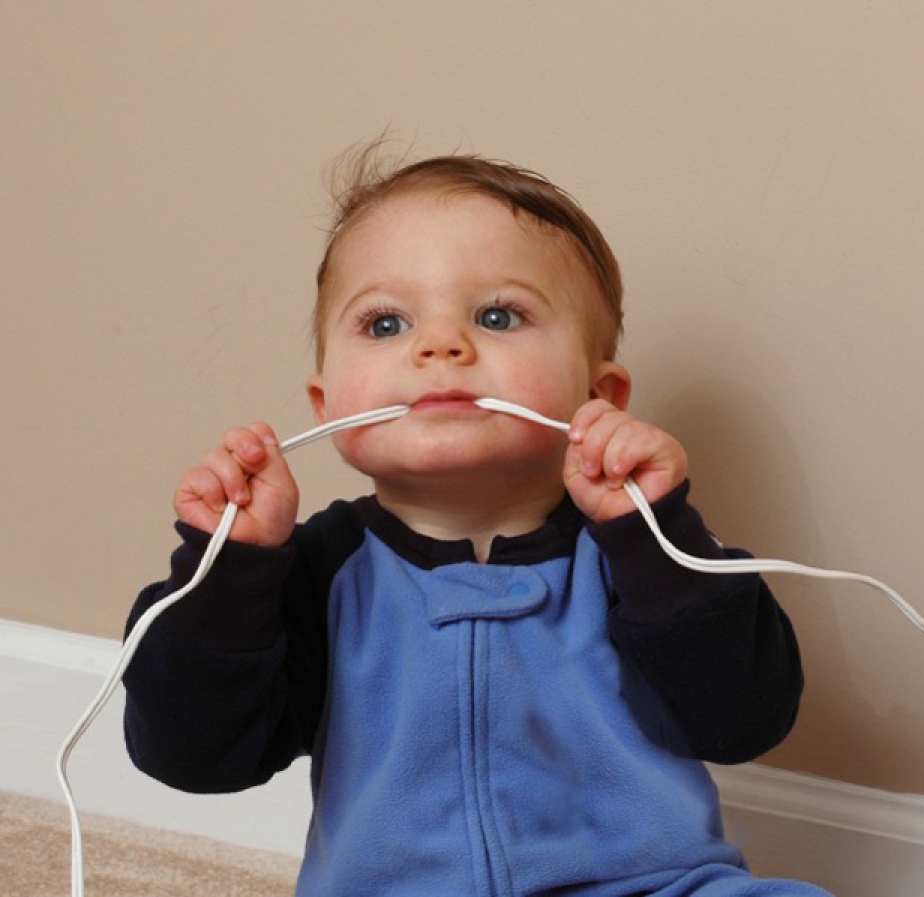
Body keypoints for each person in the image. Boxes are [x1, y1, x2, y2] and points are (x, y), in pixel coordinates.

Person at [123, 147, 832, 896]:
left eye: (498, 316)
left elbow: (746, 719)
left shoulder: (640, 546)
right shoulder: (314, 575)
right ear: (327, 407)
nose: (440, 345)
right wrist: (228, 571)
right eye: (386, 322)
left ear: (599, 397)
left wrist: (656, 530)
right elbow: (190, 755)